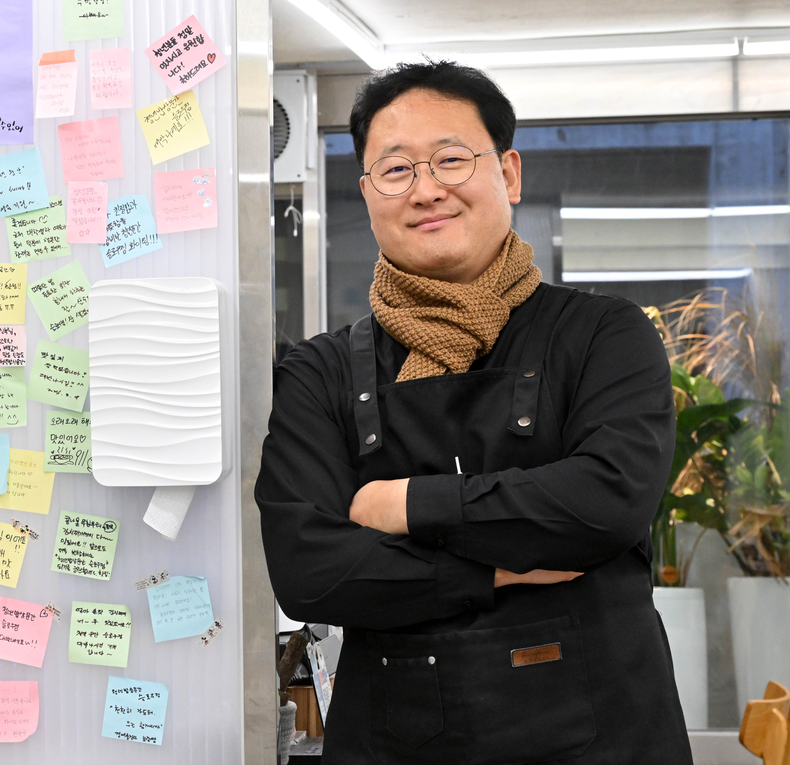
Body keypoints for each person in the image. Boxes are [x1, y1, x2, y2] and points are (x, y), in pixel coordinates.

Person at [256, 61, 692, 764]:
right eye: (395, 170)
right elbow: (313, 570)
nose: (427, 188)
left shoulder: (604, 336)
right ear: (367, 195)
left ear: (509, 173)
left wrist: (406, 504)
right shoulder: (321, 372)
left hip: (606, 737)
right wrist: (499, 569)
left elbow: (605, 502)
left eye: (451, 159)